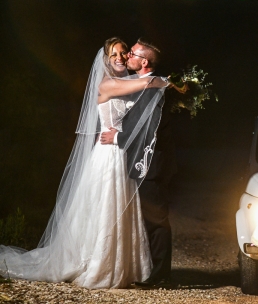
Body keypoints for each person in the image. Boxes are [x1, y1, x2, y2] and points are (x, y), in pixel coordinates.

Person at [0, 38, 173, 289]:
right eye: (115, 54)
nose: (121, 57)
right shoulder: (107, 84)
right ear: (105, 59)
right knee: (103, 210)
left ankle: (128, 265)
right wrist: (171, 81)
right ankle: (98, 264)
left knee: (123, 212)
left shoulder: (127, 82)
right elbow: (149, 80)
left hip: (124, 154)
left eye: (125, 52)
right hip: (107, 154)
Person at [100, 38, 186, 289]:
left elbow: (149, 131)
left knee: (156, 220)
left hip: (152, 165)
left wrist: (117, 136)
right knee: (146, 219)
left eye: (133, 54)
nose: (128, 57)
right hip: (139, 162)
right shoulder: (146, 84)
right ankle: (147, 268)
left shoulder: (154, 90)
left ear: (144, 61)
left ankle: (160, 275)